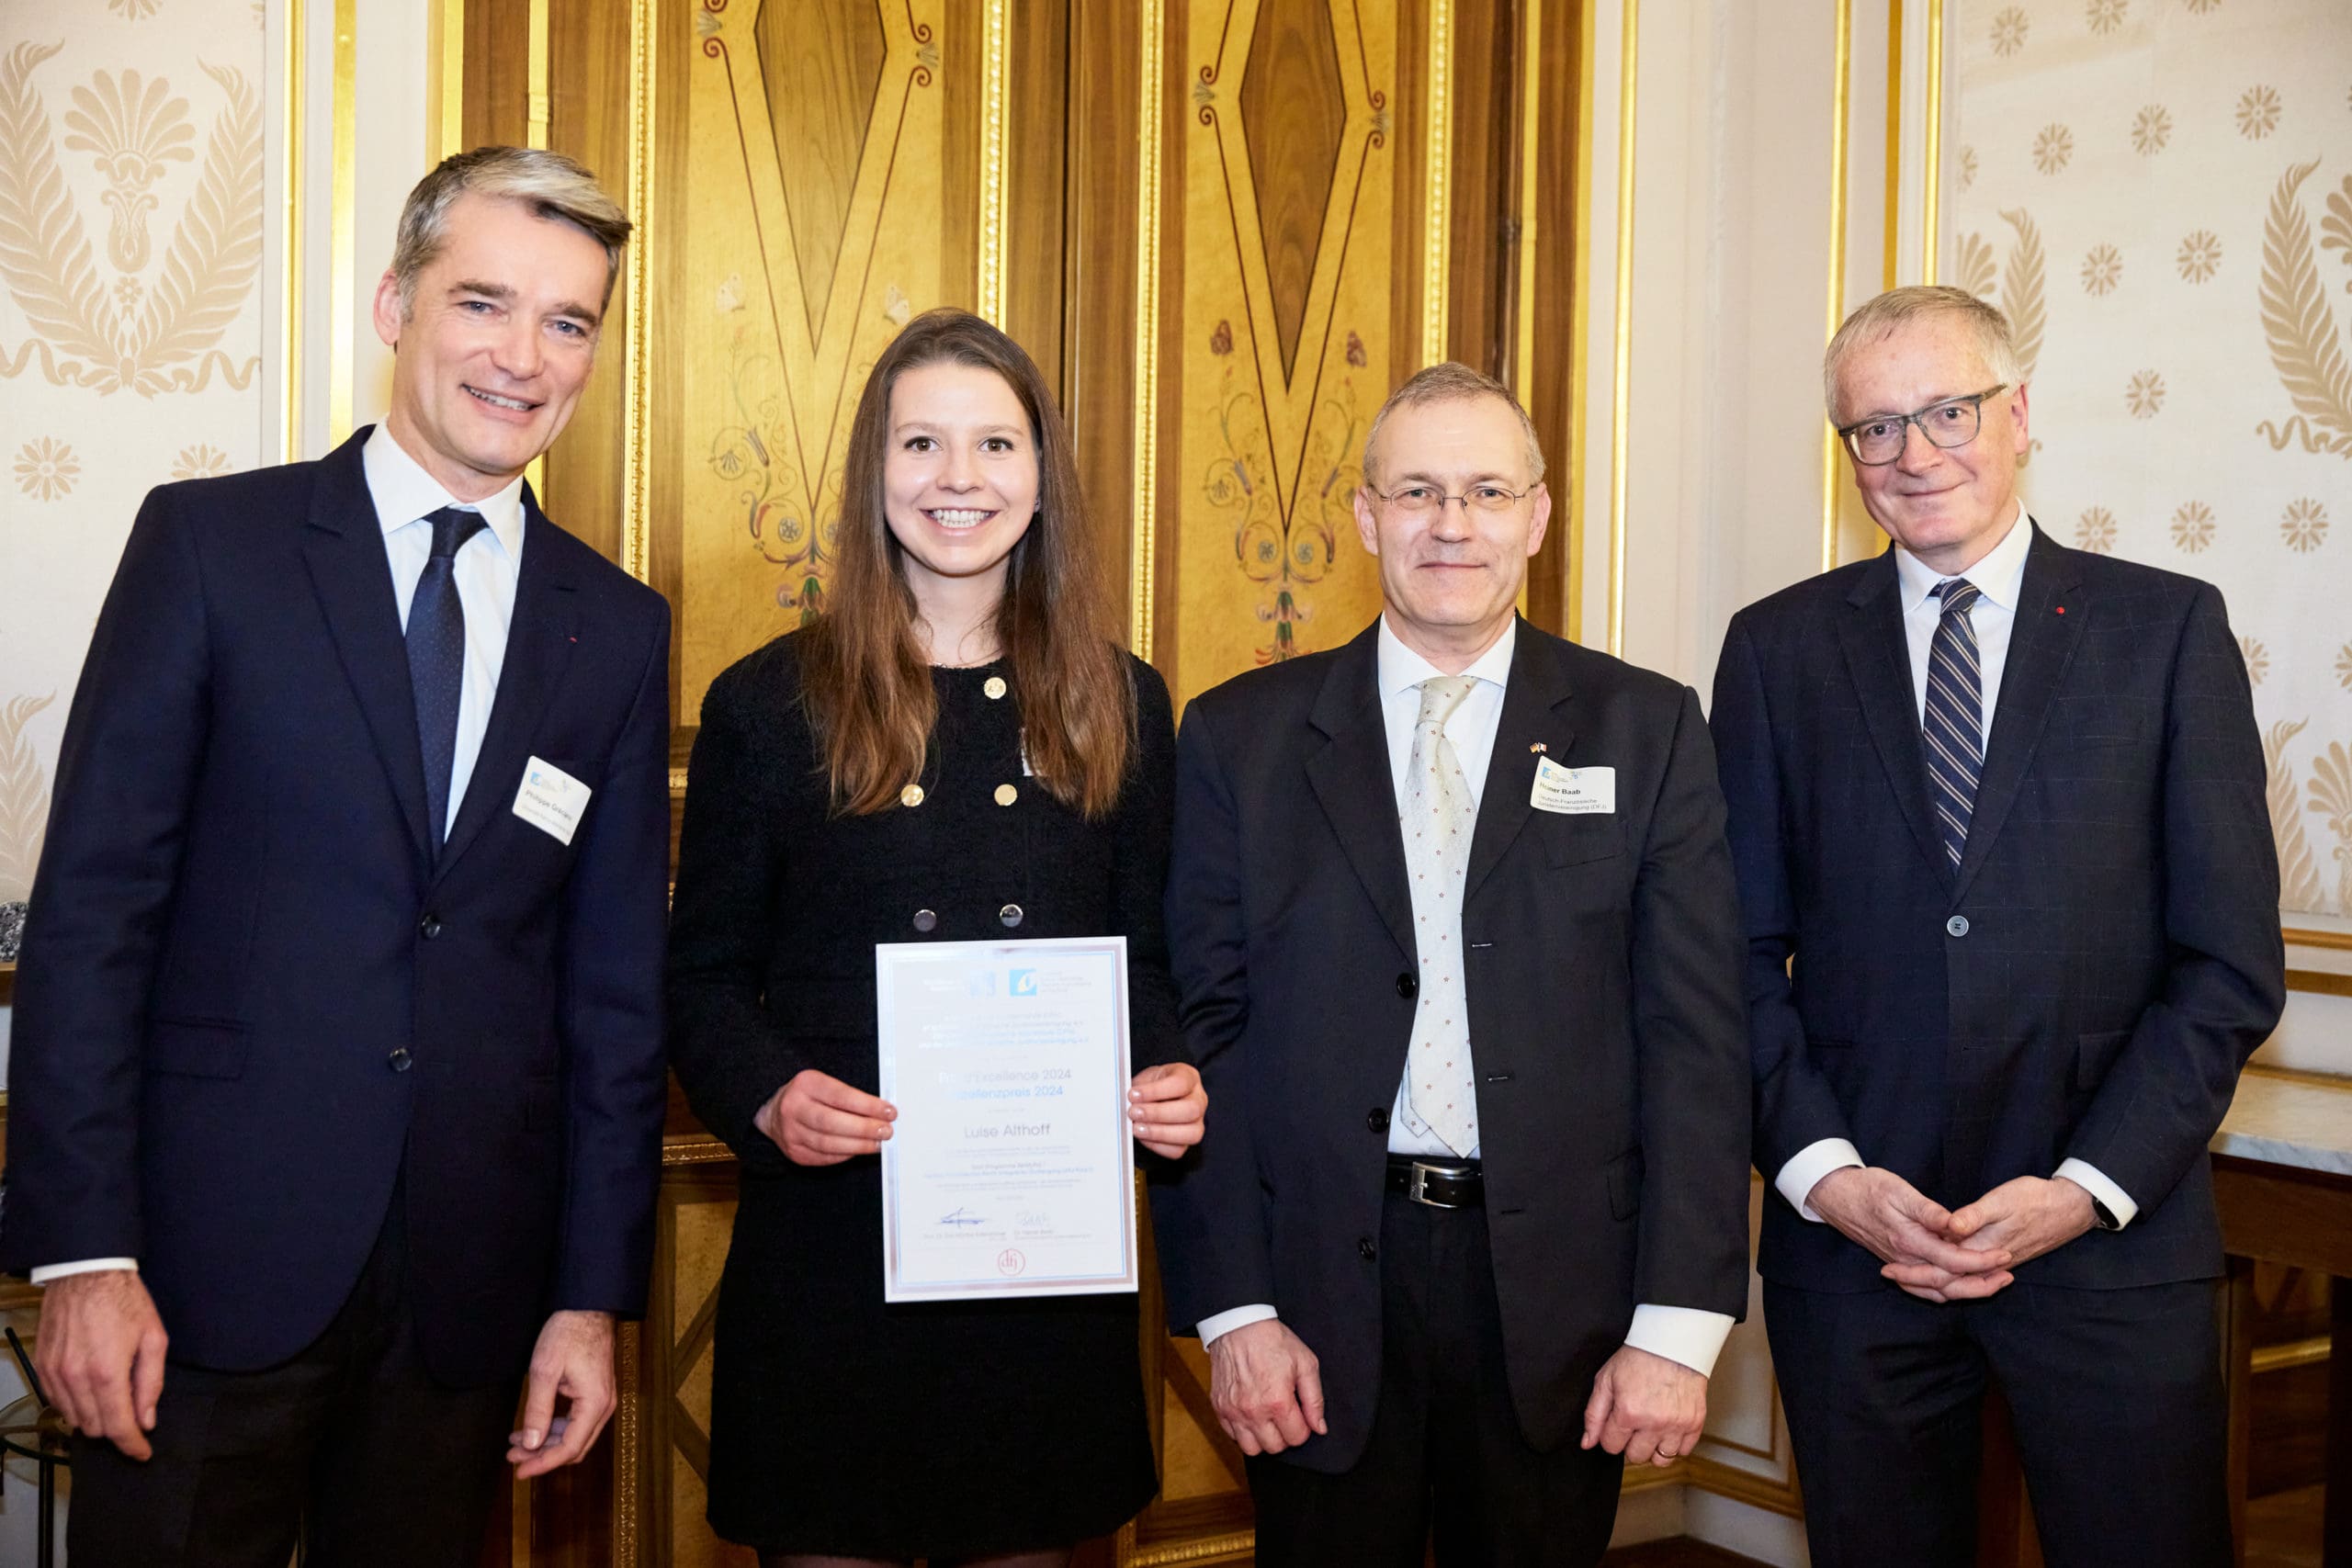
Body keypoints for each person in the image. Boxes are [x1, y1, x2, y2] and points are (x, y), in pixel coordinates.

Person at [1, 146, 673, 1566]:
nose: (523, 357)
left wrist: (587, 1297)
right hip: (193, 1278)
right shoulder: (212, 547)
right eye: (483, 302)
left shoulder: (612, 626)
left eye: (569, 322)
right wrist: (81, 1254)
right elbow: (94, 915)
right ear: (393, 305)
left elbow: (614, 999)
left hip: (467, 1306)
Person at [1709, 285, 2285, 1567]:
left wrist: (2083, 1191)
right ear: (1846, 452)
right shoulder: (1776, 652)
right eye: (1874, 428)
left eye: (1948, 410)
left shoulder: (2165, 631)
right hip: (1862, 1258)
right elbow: (1732, 959)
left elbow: (2227, 967)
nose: (1915, 454)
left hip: (2109, 1255)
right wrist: (1827, 1178)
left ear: (2019, 414)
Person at [1151, 362, 1752, 1567]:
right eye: (1417, 490)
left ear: (1536, 515)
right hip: (1318, 1288)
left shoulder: (1648, 727)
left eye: (1486, 490)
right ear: (1367, 517)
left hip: (1561, 1302)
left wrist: (1677, 1328)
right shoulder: (1239, 738)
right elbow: (1200, 1033)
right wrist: (1236, 1311)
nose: (1451, 523)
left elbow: (1698, 1040)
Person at [665, 307, 1206, 1568]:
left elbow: (1151, 958)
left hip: (1038, 1257)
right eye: (922, 444)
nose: (958, 479)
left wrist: (1171, 1076)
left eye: (995, 445)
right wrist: (769, 1093)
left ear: (1041, 477)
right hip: (832, 1250)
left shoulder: (1122, 702)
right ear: (875, 473)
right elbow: (699, 979)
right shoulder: (767, 701)